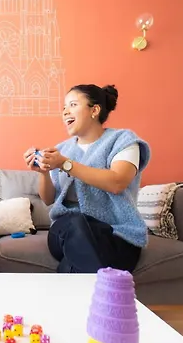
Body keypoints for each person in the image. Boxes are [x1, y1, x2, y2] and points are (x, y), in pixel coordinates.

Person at [23, 84, 150, 274]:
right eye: (64, 107)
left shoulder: (123, 140)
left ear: (94, 110)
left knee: (71, 266)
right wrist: (43, 173)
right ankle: (111, 287)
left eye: (73, 105)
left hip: (117, 234)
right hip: (65, 231)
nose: (65, 112)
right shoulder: (62, 149)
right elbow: (48, 199)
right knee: (76, 223)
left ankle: (87, 282)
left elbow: (117, 182)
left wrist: (65, 164)